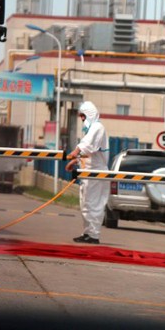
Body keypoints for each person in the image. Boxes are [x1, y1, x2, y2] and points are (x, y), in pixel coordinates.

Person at [65, 100, 109, 244]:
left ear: (89, 114)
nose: (82, 119)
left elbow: (88, 146)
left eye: (83, 116)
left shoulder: (97, 127)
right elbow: (89, 154)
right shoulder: (92, 129)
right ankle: (87, 233)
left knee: (93, 204)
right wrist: (75, 161)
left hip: (96, 174)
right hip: (88, 173)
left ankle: (94, 235)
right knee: (85, 204)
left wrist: (75, 152)